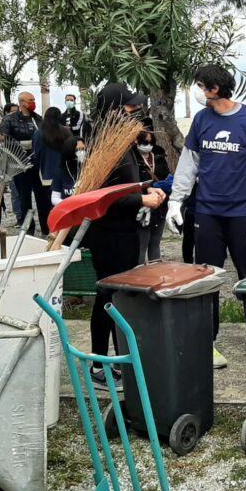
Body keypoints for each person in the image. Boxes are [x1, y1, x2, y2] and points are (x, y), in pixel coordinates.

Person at [167, 64, 246, 371]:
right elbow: (189, 162)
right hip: (207, 211)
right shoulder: (202, 120)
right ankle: (208, 342)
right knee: (206, 278)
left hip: (243, 212)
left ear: (214, 89)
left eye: (201, 86)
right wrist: (176, 200)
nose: (199, 92)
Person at [84, 83, 166, 388]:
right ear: (115, 110)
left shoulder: (123, 140)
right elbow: (101, 196)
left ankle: (120, 360)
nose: (136, 112)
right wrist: (140, 200)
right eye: (130, 108)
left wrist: (148, 187)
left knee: (119, 298)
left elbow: (130, 182)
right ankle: (100, 365)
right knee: (107, 297)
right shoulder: (102, 143)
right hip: (109, 233)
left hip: (126, 230)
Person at [0, 91, 52, 234]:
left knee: (43, 198)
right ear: (22, 102)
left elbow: (46, 136)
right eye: (30, 100)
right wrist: (21, 145)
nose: (33, 102)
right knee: (24, 198)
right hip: (20, 164)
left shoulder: (38, 119)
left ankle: (47, 228)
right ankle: (28, 230)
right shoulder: (9, 120)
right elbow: (2, 139)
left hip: (38, 165)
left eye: (34, 99)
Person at [134, 129, 170, 264]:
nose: (148, 145)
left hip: (160, 205)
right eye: (144, 142)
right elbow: (133, 181)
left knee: (155, 243)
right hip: (142, 206)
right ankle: (139, 277)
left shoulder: (159, 156)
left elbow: (166, 177)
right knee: (142, 244)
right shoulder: (133, 158)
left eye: (151, 142)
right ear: (137, 141)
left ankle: (155, 275)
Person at [32, 106, 69, 202]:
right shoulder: (66, 132)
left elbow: (36, 154)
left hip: (46, 175)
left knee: (48, 203)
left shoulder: (38, 133)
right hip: (64, 174)